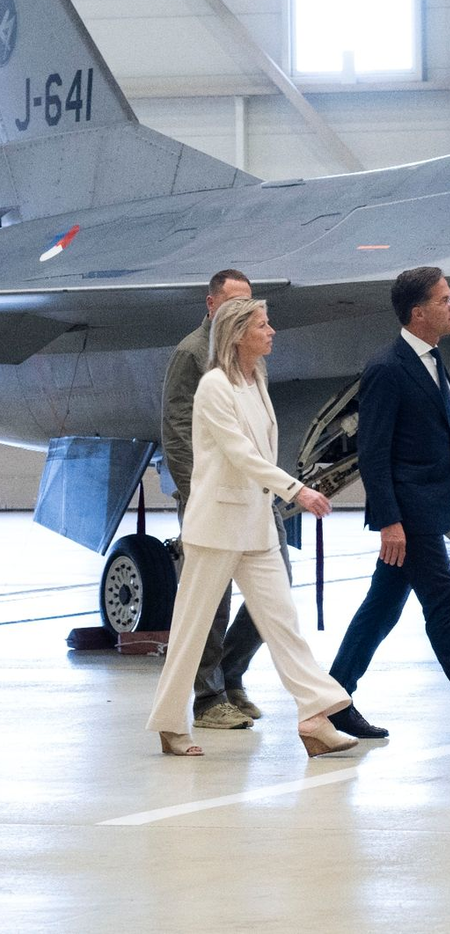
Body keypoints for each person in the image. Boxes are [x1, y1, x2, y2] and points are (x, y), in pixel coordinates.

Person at [147, 298, 356, 758]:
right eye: (263, 325)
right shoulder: (214, 387)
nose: (273, 331)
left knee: (283, 623)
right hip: (216, 527)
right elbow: (241, 454)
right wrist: (296, 490)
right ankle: (168, 723)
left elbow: (258, 450)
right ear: (239, 334)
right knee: (191, 630)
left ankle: (314, 717)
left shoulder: (255, 380)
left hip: (255, 525)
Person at [327, 267, 450, 744]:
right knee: (443, 603)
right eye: (446, 298)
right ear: (419, 312)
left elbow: (442, 435)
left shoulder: (432, 361)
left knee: (382, 607)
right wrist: (390, 522)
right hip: (408, 515)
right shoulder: (388, 369)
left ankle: (331, 701)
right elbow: (372, 453)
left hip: (428, 507)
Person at [161, 268, 293, 731]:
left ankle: (230, 672)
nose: (246, 311)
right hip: (212, 498)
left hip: (256, 498)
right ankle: (206, 695)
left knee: (277, 593)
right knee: (209, 604)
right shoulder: (193, 354)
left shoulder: (250, 359)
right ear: (212, 304)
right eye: (234, 302)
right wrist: (194, 494)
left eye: (250, 302)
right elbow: (177, 430)